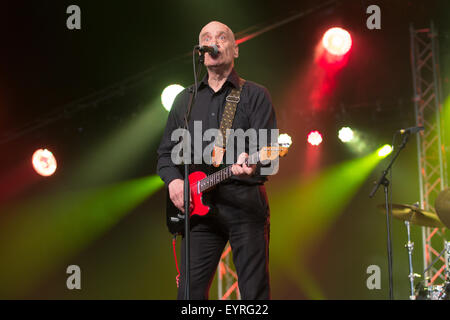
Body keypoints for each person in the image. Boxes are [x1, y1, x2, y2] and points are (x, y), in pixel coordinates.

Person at [157, 21, 277, 300]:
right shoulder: (184, 100)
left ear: (235, 50)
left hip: (244, 206)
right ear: (201, 51)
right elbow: (165, 154)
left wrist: (252, 163)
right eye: (207, 38)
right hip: (200, 212)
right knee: (188, 295)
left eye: (222, 38)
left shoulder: (254, 94)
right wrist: (174, 182)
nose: (214, 42)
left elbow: (269, 151)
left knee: (253, 294)